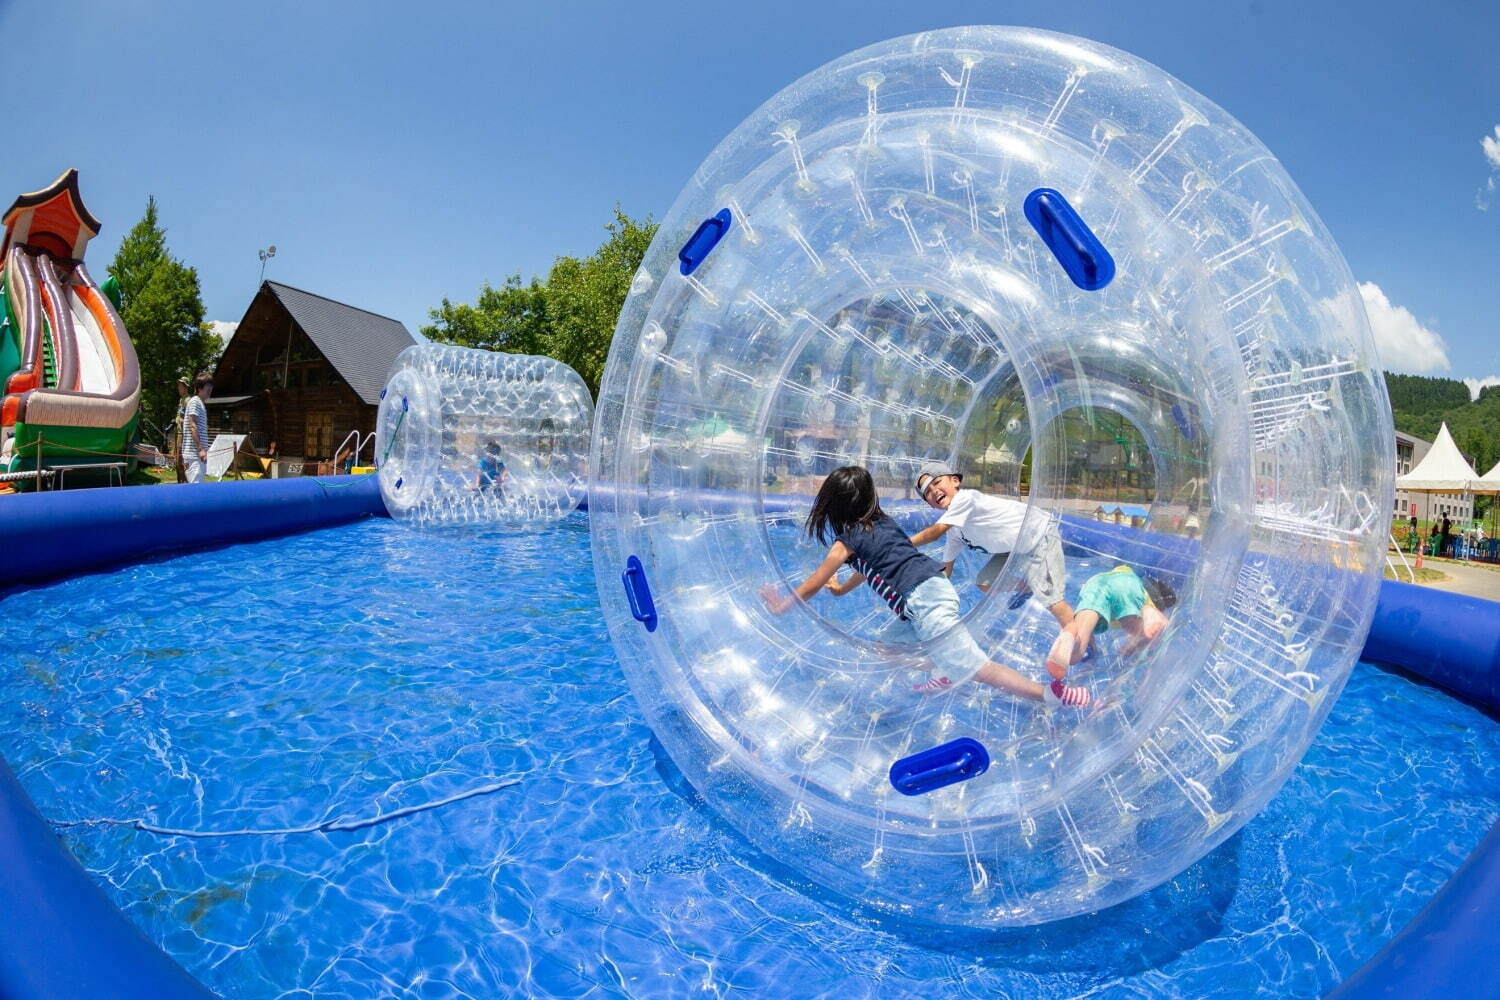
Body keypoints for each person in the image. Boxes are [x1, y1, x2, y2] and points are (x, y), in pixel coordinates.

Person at [760, 465, 1089, 706]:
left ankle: (1048, 694)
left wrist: (781, 606)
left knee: (977, 668)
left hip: (924, 599)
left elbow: (813, 583)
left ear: (833, 505)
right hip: (923, 596)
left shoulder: (845, 543)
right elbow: (875, 566)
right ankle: (948, 664)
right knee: (885, 649)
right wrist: (844, 589)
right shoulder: (882, 524)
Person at [908, 462, 1074, 627]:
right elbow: (947, 569)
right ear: (930, 504)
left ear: (955, 481)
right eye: (928, 492)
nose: (934, 491)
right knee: (986, 583)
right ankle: (1026, 587)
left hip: (1038, 534)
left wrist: (902, 543)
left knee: (1052, 602)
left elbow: (935, 533)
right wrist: (932, 598)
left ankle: (1084, 645)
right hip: (1014, 545)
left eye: (937, 482)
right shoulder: (955, 531)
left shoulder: (965, 498)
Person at [1046, 565, 1174, 679]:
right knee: (1148, 635)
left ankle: (1071, 637)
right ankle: (1149, 612)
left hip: (1096, 584)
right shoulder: (1141, 599)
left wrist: (1092, 657)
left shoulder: (1131, 582)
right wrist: (1136, 646)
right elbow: (1148, 644)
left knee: (1079, 645)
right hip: (1126, 587)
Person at [181, 372, 212, 484]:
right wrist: (201, 449)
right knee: (196, 490)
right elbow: (192, 425)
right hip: (194, 455)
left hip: (197, 456)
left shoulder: (200, 403)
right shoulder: (195, 402)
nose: (210, 389)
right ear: (199, 388)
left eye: (211, 386)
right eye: (207, 387)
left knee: (197, 489)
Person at [171, 377, 191, 483]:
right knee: (176, 460)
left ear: (185, 387)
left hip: (183, 434)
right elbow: (180, 414)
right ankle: (180, 483)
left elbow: (188, 419)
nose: (178, 388)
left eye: (180, 386)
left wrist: (183, 421)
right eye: (178, 385)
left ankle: (185, 485)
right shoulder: (181, 399)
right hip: (178, 432)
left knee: (181, 461)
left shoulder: (188, 400)